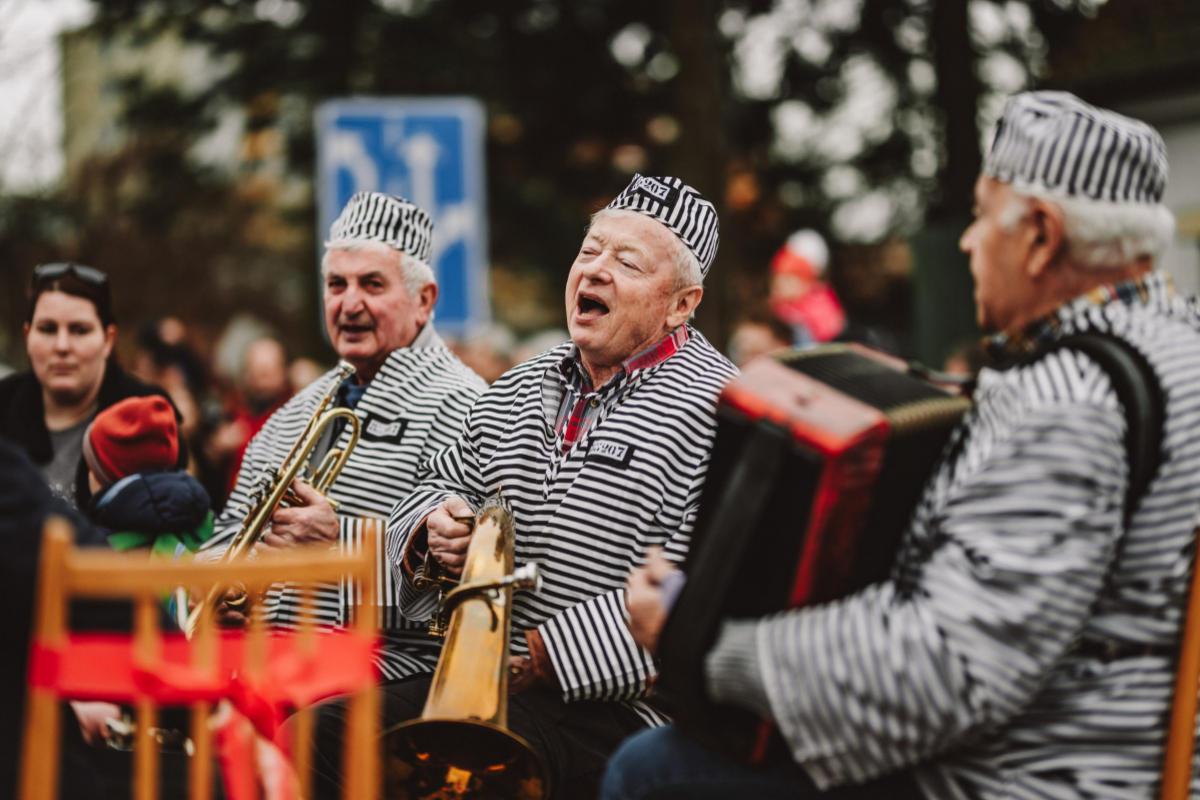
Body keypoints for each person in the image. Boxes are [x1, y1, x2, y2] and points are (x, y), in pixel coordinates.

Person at [604, 91, 1197, 800]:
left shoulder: (1068, 397)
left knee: (652, 772)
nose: (968, 242)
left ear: (1040, 235)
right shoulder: (1177, 348)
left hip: (1024, 776)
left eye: (981, 216)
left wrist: (701, 643)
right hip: (1128, 746)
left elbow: (952, 667)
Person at [307, 175, 738, 799]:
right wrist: (431, 532)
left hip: (622, 711)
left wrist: (546, 654)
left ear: (680, 304)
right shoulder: (520, 383)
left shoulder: (720, 411)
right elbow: (439, 482)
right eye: (589, 251)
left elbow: (704, 585)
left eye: (627, 261)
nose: (595, 271)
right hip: (487, 684)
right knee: (318, 734)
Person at [198, 191, 487, 678]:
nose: (349, 303)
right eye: (336, 284)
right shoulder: (293, 410)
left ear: (424, 300)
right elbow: (229, 533)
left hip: (390, 673)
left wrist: (338, 544)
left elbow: (457, 583)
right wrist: (216, 586)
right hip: (265, 663)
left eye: (372, 284)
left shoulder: (467, 405)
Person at [0, 264, 185, 507]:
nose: (62, 346)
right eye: (47, 329)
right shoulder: (3, 403)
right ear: (27, 336)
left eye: (80, 330)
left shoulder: (150, 415)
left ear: (108, 340)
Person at [204, 336, 293, 500]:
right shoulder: (231, 413)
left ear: (283, 371)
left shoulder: (298, 415)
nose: (261, 381)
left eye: (268, 371)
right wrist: (215, 452)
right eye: (255, 371)